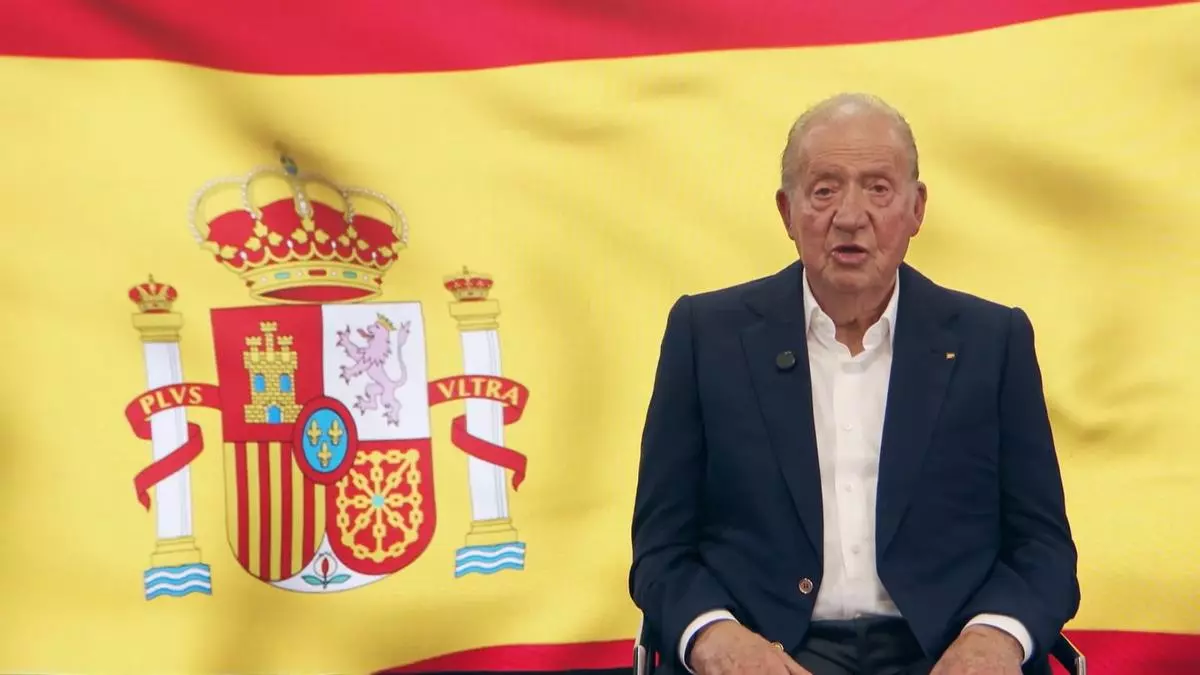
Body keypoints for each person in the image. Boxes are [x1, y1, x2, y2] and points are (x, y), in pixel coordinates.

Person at [628, 93, 1079, 675]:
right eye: (824, 190)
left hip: (943, 650)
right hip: (768, 650)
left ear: (916, 209)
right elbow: (662, 550)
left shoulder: (992, 341)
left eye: (878, 189)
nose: (849, 215)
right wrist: (716, 638)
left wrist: (995, 640)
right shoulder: (706, 336)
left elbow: (1043, 549)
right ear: (787, 212)